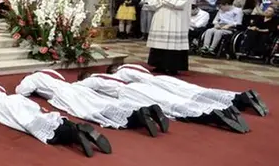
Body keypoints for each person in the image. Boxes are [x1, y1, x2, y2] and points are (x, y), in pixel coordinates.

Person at [0, 79, 111, 157]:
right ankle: (75, 127)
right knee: (44, 117)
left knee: (33, 125)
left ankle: (75, 134)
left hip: (4, 107)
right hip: (17, 99)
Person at [77, 71, 247, 133]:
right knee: (175, 100)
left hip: (130, 93)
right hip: (140, 87)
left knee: (171, 108)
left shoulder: (92, 80)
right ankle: (219, 108)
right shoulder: (117, 75)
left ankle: (211, 116)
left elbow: (78, 88)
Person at [15, 68, 163, 137]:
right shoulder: (51, 73)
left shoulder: (33, 78)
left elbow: (22, 91)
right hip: (74, 88)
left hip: (65, 94)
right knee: (100, 101)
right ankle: (141, 112)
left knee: (91, 110)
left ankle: (134, 119)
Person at [107, 63, 268, 117]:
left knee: (188, 96)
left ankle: (230, 104)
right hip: (163, 79)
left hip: (157, 85)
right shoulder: (133, 65)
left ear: (114, 71)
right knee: (195, 89)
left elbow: (125, 82)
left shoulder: (121, 72)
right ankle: (237, 97)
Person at [146, 0, 193, 75]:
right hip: (160, 17)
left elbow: (180, 4)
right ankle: (158, 65)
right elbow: (152, 3)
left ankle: (173, 67)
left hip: (176, 19)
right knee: (159, 42)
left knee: (173, 45)